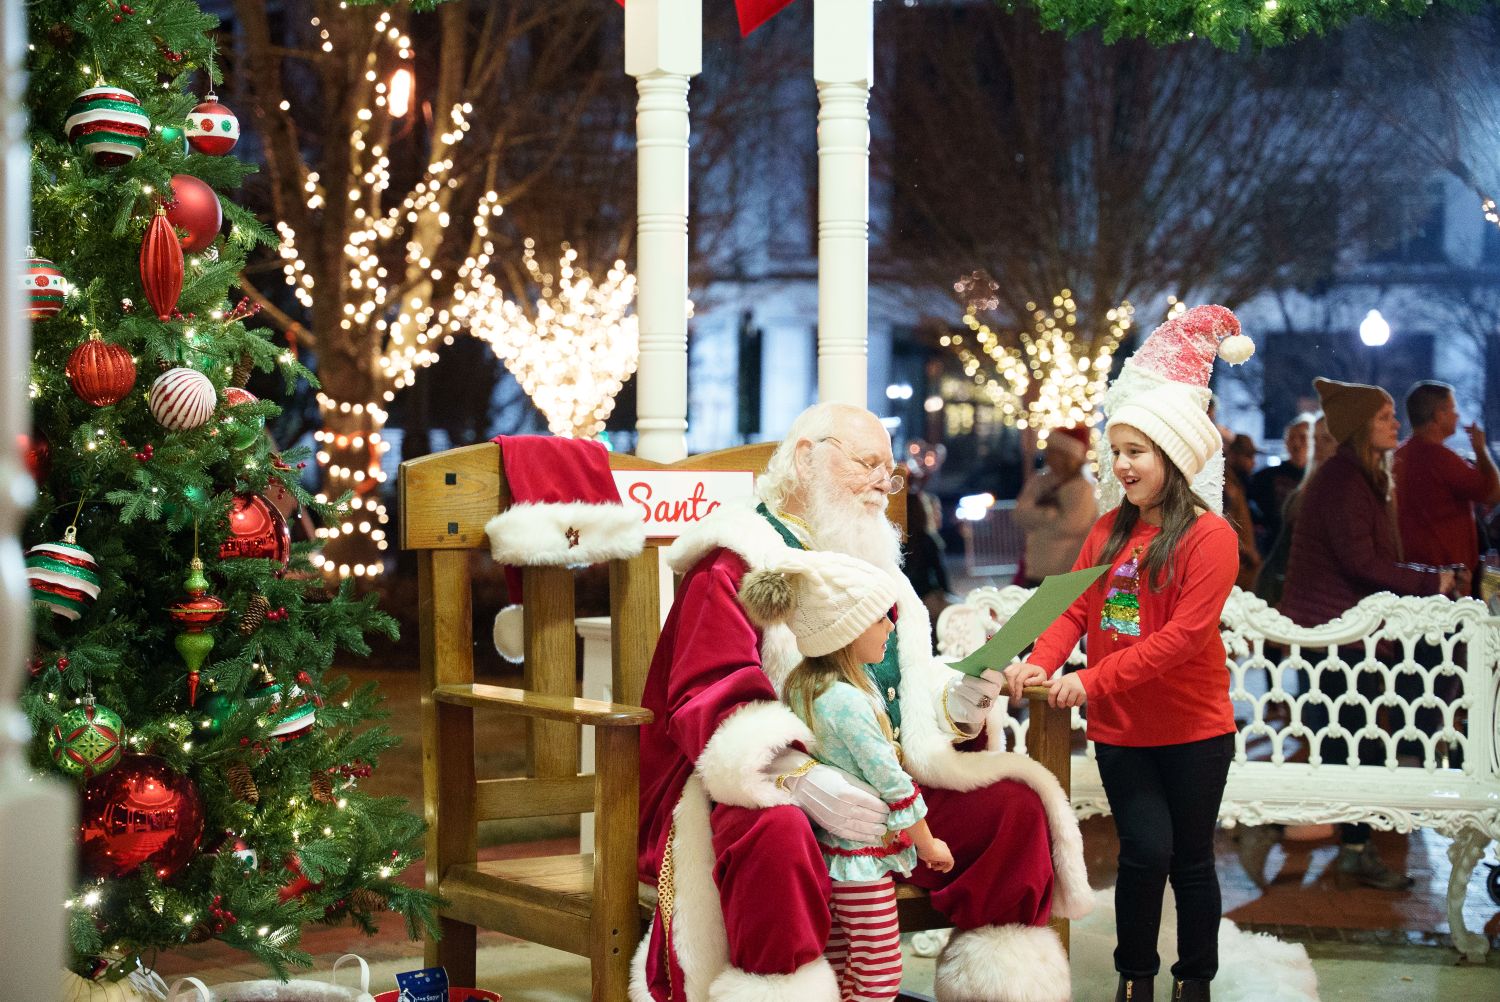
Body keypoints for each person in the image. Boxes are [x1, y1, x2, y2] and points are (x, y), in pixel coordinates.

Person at [632, 402, 1091, 1002]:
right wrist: (799, 776)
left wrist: (959, 704)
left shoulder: (881, 573)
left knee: (1014, 810)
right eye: (867, 463)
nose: (883, 482)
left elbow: (899, 694)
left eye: (889, 469)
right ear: (806, 458)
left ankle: (997, 990)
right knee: (777, 833)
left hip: (879, 786)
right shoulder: (736, 560)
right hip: (768, 792)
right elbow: (708, 696)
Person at [1006, 303, 1251, 1002]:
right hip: (1123, 731)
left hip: (1196, 731)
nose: (1121, 465)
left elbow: (1180, 640)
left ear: (1173, 457)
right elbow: (1072, 607)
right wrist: (1041, 661)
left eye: (1135, 452)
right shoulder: (1110, 530)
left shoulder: (1211, 538)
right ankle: (1134, 978)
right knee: (1145, 854)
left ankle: (1193, 981)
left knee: (1192, 862)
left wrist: (1092, 680)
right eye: (1117, 452)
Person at [1270, 377, 1465, 891]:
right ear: (1360, 426)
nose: (1396, 423)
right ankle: (1349, 846)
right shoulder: (1342, 481)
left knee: (1356, 739)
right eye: (1384, 417)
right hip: (1335, 634)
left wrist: (1427, 575)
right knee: (1349, 741)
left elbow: (1373, 559)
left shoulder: (1361, 476)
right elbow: (1362, 562)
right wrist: (1433, 581)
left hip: (1349, 631)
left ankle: (1357, 844)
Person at [738, 549, 954, 1002]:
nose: (891, 628)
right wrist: (928, 841)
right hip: (861, 860)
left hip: (830, 854)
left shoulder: (801, 686)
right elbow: (892, 782)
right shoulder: (849, 701)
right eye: (881, 619)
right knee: (879, 970)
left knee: (839, 964)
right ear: (847, 630)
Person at [1394, 380, 1500, 593]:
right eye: (1453, 408)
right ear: (1439, 414)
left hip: (1413, 572)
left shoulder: (1400, 455)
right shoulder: (1440, 458)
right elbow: (1492, 492)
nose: (1457, 415)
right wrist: (1480, 449)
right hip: (1448, 577)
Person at [1012, 425, 1099, 586]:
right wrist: (1050, 514)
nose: (1047, 456)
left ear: (1067, 456)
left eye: (1053, 452)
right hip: (1035, 569)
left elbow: (1071, 525)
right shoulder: (1040, 481)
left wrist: (1037, 520)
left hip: (1065, 572)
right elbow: (1019, 514)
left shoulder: (1082, 487)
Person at [1247, 417, 1313, 554]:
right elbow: (1246, 500)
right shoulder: (1266, 476)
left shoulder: (1319, 477)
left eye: (1302, 437)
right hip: (1274, 548)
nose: (1296, 443)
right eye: (1291, 438)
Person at [1222, 434, 1262, 591]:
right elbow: (1225, 526)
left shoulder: (1235, 483)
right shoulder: (1228, 487)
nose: (1252, 462)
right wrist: (1250, 553)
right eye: (1248, 456)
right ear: (1233, 456)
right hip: (1238, 571)